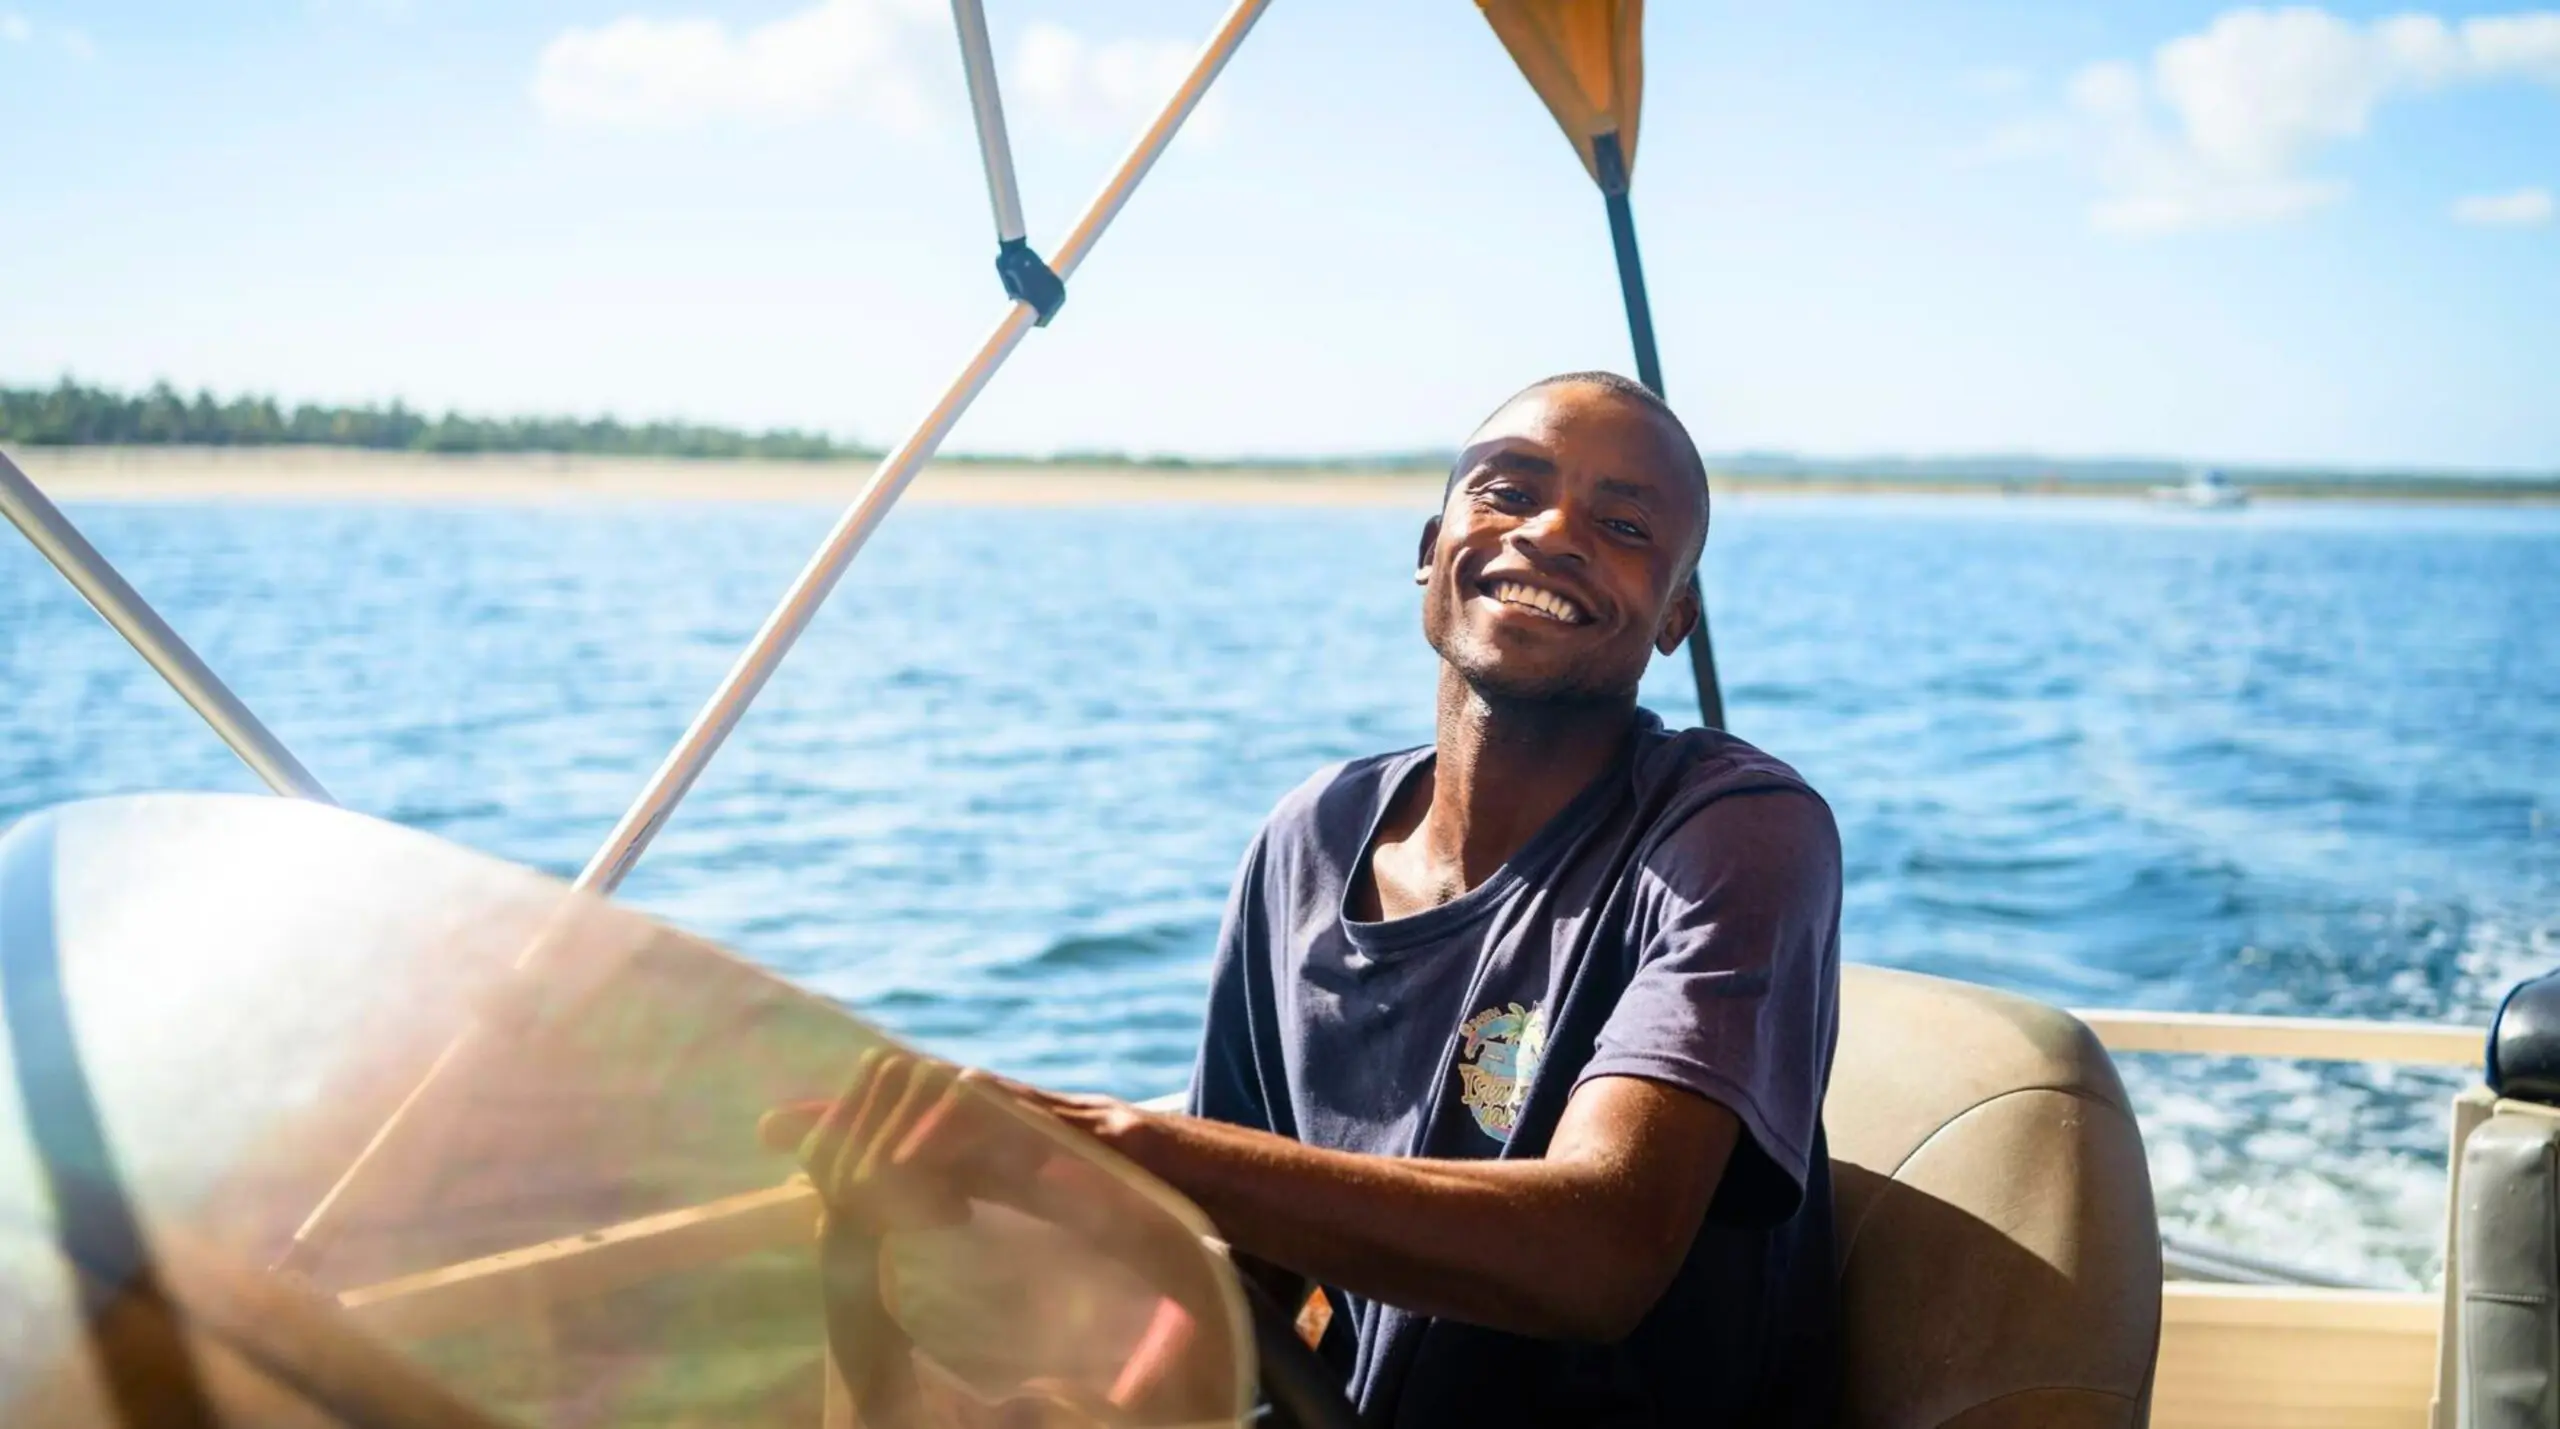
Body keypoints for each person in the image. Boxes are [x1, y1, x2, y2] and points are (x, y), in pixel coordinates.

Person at [770, 372, 1843, 1427]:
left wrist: (1097, 1142)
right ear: (1432, 549)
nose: (1550, 532)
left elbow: (1599, 1259)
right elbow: (1256, 1273)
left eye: (1621, 523)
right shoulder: (1308, 840)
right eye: (1507, 492)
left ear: (1676, 616)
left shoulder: (1736, 830)